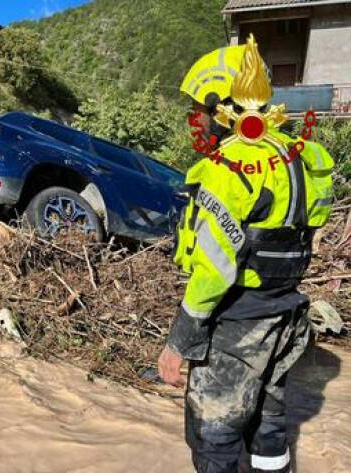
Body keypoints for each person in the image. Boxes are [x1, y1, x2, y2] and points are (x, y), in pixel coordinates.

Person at [158, 35, 334, 473]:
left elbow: (215, 270)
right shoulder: (297, 156)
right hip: (286, 315)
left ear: (222, 105)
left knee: (214, 434)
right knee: (269, 427)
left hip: (239, 320)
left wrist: (178, 342)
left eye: (200, 109)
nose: (197, 119)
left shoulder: (229, 166)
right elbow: (310, 224)